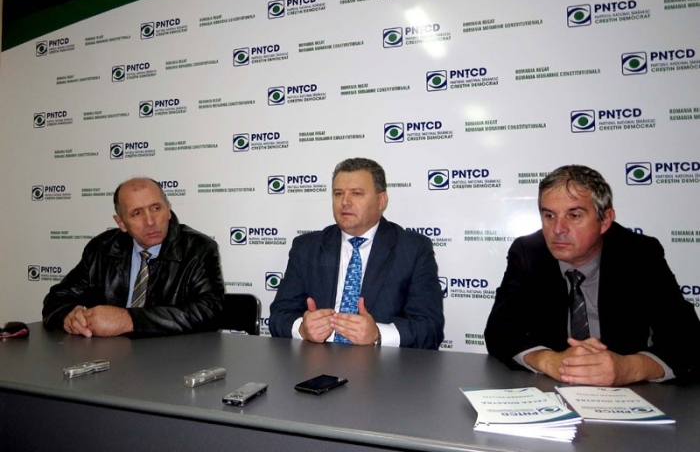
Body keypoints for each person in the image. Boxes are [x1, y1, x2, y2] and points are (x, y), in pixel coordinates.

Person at [485, 165, 700, 385]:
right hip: (551, 390)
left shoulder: (639, 254)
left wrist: (629, 368)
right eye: (549, 215)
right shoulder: (528, 253)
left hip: (632, 394)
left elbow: (688, 339)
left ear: (605, 220)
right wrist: (549, 361)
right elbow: (499, 331)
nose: (558, 228)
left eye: (574, 215)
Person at [269, 158, 444, 349]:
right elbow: (279, 316)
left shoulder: (413, 249)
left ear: (381, 200)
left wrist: (377, 334)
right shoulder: (306, 247)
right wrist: (302, 329)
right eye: (338, 193)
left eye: (356, 193)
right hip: (316, 361)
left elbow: (430, 328)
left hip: (381, 363)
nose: (345, 202)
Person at [42, 177, 225, 337]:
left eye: (156, 208)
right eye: (137, 213)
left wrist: (129, 320)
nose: (150, 221)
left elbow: (210, 312)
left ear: (168, 210)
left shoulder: (198, 249)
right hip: (109, 355)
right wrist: (69, 315)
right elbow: (57, 298)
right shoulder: (102, 249)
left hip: (171, 356)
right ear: (121, 222)